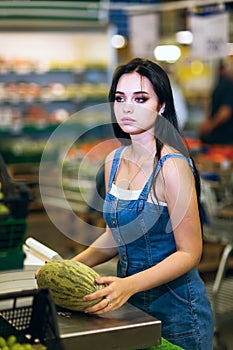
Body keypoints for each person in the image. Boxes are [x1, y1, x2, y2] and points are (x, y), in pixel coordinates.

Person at [71, 58, 214, 349]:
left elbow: (190, 253)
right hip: (129, 306)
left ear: (161, 106)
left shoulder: (172, 168)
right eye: (119, 98)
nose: (127, 107)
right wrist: (72, 265)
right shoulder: (113, 161)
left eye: (140, 98)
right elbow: (119, 232)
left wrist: (129, 284)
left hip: (178, 316)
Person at [198, 61, 233, 144]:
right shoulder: (225, 85)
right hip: (221, 135)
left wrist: (210, 125)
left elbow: (225, 112)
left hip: (223, 135)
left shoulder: (225, 86)